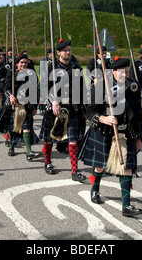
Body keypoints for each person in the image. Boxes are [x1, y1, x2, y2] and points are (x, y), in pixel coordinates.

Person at [83, 56, 142, 217]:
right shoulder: (102, 86)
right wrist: (104, 118)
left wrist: (140, 138)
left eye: (127, 71)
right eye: (121, 72)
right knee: (100, 166)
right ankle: (95, 189)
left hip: (127, 132)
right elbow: (90, 111)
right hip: (104, 131)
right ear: (113, 72)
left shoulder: (133, 86)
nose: (125, 75)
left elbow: (138, 114)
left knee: (127, 168)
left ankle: (126, 205)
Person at [40, 39, 87, 181]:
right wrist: (53, 101)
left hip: (72, 108)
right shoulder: (50, 67)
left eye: (69, 49)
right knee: (49, 139)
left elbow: (82, 89)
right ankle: (47, 162)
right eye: (64, 50)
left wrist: (84, 109)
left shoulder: (76, 68)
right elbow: (44, 88)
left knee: (73, 140)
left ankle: (74, 171)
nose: (68, 52)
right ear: (58, 52)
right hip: (53, 108)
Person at [4, 52, 41, 160]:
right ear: (17, 64)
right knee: (13, 128)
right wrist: (10, 96)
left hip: (26, 105)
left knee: (27, 128)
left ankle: (29, 152)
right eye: (21, 63)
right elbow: (6, 87)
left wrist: (34, 107)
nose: (24, 65)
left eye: (25, 62)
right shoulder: (11, 73)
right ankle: (11, 146)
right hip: (13, 104)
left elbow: (34, 91)